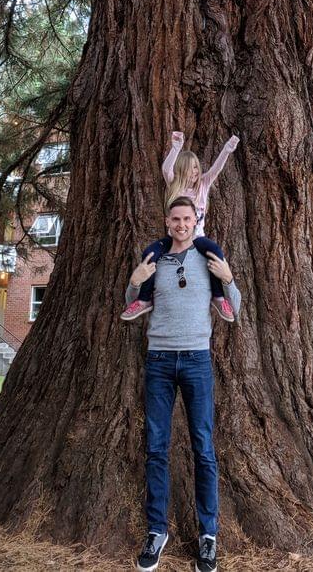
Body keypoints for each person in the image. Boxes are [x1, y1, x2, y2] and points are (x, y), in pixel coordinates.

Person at [128, 195, 241, 572]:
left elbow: (233, 310)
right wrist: (135, 282)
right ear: (167, 221)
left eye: (186, 219)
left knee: (203, 449)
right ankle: (157, 531)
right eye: (175, 219)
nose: (180, 224)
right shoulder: (155, 259)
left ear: (196, 221)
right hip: (159, 360)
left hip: (196, 360)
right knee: (157, 448)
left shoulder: (208, 259)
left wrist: (229, 280)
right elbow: (132, 304)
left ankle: (208, 536)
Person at [121, 131, 239, 322]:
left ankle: (219, 298)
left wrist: (227, 149)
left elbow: (216, 169)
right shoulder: (175, 187)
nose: (194, 172)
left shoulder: (203, 186)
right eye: (190, 168)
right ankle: (143, 300)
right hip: (173, 239)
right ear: (181, 170)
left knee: (215, 252)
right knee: (150, 254)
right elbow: (166, 169)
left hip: (197, 238)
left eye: (196, 168)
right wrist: (176, 147)